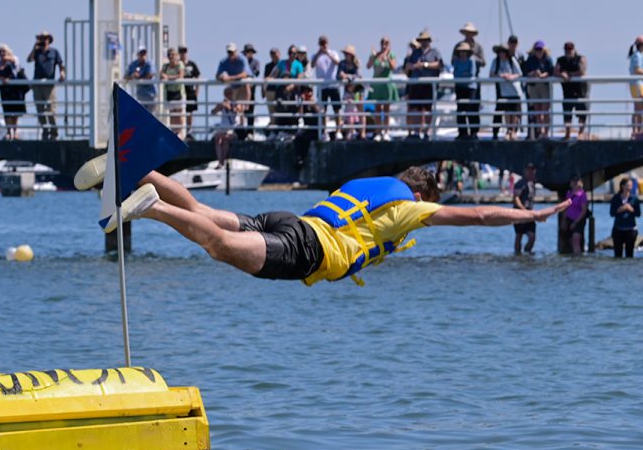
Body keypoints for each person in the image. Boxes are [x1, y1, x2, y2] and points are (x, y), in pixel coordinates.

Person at [75, 163, 568, 286]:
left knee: (206, 214)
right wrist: (533, 213)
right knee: (220, 246)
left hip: (290, 221)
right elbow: (479, 215)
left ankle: (136, 170)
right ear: (422, 194)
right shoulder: (407, 207)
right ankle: (148, 208)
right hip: (310, 249)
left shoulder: (371, 184)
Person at [27, 31, 65, 140]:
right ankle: (45, 131)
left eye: (45, 38)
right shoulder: (37, 52)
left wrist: (62, 74)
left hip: (49, 85)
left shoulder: (54, 52)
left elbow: (61, 65)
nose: (44, 40)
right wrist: (34, 47)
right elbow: (29, 59)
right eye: (41, 38)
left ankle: (53, 133)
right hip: (37, 85)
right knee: (40, 110)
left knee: (51, 110)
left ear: (49, 40)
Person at [404, 31, 442, 139]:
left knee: (427, 108)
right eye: (422, 40)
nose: (423, 42)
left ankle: (426, 131)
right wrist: (415, 66)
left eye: (425, 40)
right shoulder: (415, 53)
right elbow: (407, 66)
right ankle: (417, 131)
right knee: (416, 108)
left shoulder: (435, 52)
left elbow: (439, 64)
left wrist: (426, 65)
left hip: (428, 84)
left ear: (429, 41)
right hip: (416, 84)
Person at [0, 44, 26, 140]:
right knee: (7, 112)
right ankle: (9, 131)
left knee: (16, 112)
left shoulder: (13, 60)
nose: (2, 54)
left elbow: (17, 67)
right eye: (0, 52)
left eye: (3, 51)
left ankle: (15, 132)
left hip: (15, 90)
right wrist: (2, 79)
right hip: (5, 91)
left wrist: (7, 58)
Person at [366, 37, 398, 141]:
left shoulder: (391, 55)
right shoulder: (375, 55)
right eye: (383, 42)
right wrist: (374, 56)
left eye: (386, 43)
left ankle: (386, 131)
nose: (384, 44)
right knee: (378, 108)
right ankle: (378, 131)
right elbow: (368, 66)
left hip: (387, 85)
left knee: (387, 109)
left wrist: (387, 57)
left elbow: (394, 67)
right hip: (377, 84)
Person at [554, 42, 588, 140]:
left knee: (582, 113)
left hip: (580, 91)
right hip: (567, 91)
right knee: (567, 114)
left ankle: (581, 133)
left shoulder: (580, 58)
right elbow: (555, 71)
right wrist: (561, 74)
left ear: (574, 49)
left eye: (570, 49)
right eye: (566, 50)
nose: (568, 51)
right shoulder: (561, 60)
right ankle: (567, 134)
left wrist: (569, 74)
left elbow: (582, 70)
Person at [489, 44, 523, 140]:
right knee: (503, 112)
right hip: (502, 92)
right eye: (500, 52)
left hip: (514, 91)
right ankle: (501, 132)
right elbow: (491, 75)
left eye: (503, 52)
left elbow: (519, 73)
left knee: (515, 112)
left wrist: (511, 77)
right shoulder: (496, 62)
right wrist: (501, 76)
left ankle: (513, 131)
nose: (501, 54)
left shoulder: (512, 61)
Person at [524, 41, 554, 138]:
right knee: (537, 110)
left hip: (544, 86)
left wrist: (544, 74)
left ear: (543, 50)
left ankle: (545, 132)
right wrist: (533, 74)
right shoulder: (530, 59)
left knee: (545, 109)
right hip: (533, 86)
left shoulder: (548, 59)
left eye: (540, 49)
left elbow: (551, 71)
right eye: (537, 49)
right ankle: (540, 130)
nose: (538, 51)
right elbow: (525, 72)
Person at [311, 35, 340, 136]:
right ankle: (324, 131)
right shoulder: (315, 55)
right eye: (321, 43)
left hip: (333, 85)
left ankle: (338, 130)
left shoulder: (333, 53)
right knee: (323, 110)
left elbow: (337, 62)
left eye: (325, 43)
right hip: (322, 87)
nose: (323, 45)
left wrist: (327, 53)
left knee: (337, 109)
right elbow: (312, 65)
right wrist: (319, 53)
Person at [210, 86, 243, 168]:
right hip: (223, 130)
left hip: (234, 129)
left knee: (223, 137)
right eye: (226, 94)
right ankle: (220, 162)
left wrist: (229, 107)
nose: (228, 95)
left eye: (229, 93)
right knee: (219, 139)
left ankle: (221, 162)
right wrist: (218, 107)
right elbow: (213, 112)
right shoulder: (223, 103)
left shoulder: (237, 103)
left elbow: (238, 110)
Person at [452, 42, 479, 140]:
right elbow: (455, 73)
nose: (463, 53)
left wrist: (461, 75)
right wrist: (462, 75)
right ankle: (462, 132)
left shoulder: (471, 60)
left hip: (470, 88)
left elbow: (471, 74)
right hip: (460, 87)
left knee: (471, 110)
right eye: (461, 51)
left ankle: (473, 132)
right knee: (460, 110)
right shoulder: (457, 61)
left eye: (465, 51)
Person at [610, 177, 640, 258]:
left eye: (631, 185)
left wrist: (631, 209)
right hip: (618, 229)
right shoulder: (616, 198)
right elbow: (612, 213)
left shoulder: (634, 199)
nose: (630, 187)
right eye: (628, 185)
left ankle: (628, 269)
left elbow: (638, 214)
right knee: (617, 255)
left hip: (631, 230)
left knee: (629, 255)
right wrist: (620, 209)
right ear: (622, 186)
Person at [216, 43, 252, 107]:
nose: (231, 54)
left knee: (246, 82)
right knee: (236, 106)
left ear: (236, 51)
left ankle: (247, 105)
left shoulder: (242, 59)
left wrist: (229, 78)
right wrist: (221, 77)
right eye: (229, 52)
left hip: (244, 82)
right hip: (235, 85)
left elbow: (245, 74)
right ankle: (240, 109)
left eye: (232, 52)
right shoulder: (223, 61)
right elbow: (217, 75)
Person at [513, 163, 538, 254]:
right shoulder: (520, 183)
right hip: (520, 213)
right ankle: (518, 254)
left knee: (532, 237)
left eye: (532, 170)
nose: (531, 172)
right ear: (525, 171)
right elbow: (516, 199)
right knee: (519, 235)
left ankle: (527, 252)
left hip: (530, 214)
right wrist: (523, 210)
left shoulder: (533, 183)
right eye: (529, 170)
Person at [160, 47, 185, 137]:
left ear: (176, 56)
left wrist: (168, 77)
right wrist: (164, 76)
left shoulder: (180, 64)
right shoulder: (165, 66)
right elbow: (161, 75)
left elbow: (180, 75)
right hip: (169, 92)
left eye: (173, 54)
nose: (171, 56)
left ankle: (180, 132)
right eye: (169, 54)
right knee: (172, 113)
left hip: (178, 92)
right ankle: (174, 132)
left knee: (179, 113)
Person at [337, 45, 361, 140]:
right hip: (347, 91)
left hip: (357, 91)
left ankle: (356, 132)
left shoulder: (356, 63)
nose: (346, 55)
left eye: (348, 54)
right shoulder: (342, 64)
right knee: (349, 111)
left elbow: (358, 76)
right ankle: (350, 132)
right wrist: (349, 77)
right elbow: (339, 75)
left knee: (357, 112)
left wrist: (349, 77)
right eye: (345, 53)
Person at [124, 48, 156, 112]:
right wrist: (132, 76)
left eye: (144, 54)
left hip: (150, 94)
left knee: (150, 115)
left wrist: (138, 77)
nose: (143, 56)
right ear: (138, 55)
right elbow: (125, 77)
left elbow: (150, 75)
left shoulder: (149, 63)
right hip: (140, 94)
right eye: (141, 54)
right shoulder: (133, 64)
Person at [562, 174, 588, 254]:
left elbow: (584, 211)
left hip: (578, 220)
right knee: (568, 241)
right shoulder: (569, 194)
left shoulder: (583, 195)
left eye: (577, 181)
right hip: (569, 219)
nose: (575, 183)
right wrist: (564, 221)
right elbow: (565, 208)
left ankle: (578, 258)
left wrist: (575, 222)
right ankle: (572, 260)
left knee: (576, 239)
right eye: (574, 181)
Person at [178, 46, 200, 138]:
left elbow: (197, 77)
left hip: (190, 91)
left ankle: (189, 130)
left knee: (190, 111)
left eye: (184, 51)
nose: (183, 53)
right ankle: (180, 130)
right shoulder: (178, 64)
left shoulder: (192, 64)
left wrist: (197, 91)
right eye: (181, 51)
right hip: (181, 91)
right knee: (180, 111)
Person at [240, 43, 260, 139]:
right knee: (240, 111)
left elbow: (255, 73)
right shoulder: (240, 61)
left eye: (250, 52)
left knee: (250, 111)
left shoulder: (256, 62)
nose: (249, 53)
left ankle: (250, 131)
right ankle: (241, 132)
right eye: (247, 51)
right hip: (240, 91)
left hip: (251, 91)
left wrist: (246, 75)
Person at [627, 36, 643, 139]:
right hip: (637, 84)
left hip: (634, 84)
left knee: (637, 108)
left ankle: (636, 131)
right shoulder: (637, 55)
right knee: (639, 107)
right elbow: (637, 70)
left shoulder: (635, 55)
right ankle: (638, 131)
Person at [263, 47, 280, 129]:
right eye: (272, 53)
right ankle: (273, 127)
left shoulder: (282, 65)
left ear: (279, 54)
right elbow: (265, 79)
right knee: (271, 111)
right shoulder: (268, 66)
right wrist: (263, 91)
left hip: (279, 92)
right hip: (269, 91)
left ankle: (278, 127)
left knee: (279, 110)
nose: (273, 55)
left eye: (275, 53)